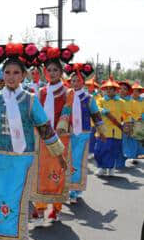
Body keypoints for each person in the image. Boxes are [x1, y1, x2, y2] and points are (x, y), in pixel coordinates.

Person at [0, 42, 65, 240]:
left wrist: (58, 154)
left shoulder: (30, 99)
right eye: (7, 72)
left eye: (16, 73)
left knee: (16, 201)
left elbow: (45, 127)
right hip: (0, 156)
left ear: (24, 75)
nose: (11, 76)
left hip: (23, 159)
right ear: (2, 74)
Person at [30, 45, 75, 224]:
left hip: (60, 136)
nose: (52, 72)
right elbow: (36, 112)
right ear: (45, 72)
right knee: (41, 171)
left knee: (57, 171)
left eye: (56, 69)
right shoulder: (41, 92)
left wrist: (59, 130)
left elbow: (66, 112)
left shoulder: (68, 92)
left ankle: (55, 209)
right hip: (41, 137)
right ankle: (40, 208)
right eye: (49, 70)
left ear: (61, 71)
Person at [60, 63, 106, 203]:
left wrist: (102, 131)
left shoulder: (89, 98)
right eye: (73, 80)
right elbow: (62, 114)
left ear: (83, 82)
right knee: (66, 161)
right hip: (68, 133)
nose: (75, 83)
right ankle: (65, 188)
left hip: (84, 133)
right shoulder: (66, 96)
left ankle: (75, 191)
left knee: (78, 162)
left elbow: (96, 115)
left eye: (78, 80)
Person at [95, 77, 127, 175]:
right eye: (107, 89)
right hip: (103, 130)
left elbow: (126, 114)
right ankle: (102, 167)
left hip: (116, 131)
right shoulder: (101, 100)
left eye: (111, 89)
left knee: (113, 150)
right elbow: (96, 108)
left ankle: (111, 167)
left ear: (115, 90)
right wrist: (102, 110)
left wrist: (125, 123)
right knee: (99, 150)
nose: (108, 91)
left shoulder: (121, 102)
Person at [121, 81, 144, 165]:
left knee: (137, 140)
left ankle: (134, 156)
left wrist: (142, 116)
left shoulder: (142, 100)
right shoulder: (129, 100)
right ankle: (126, 154)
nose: (135, 92)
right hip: (129, 121)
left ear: (140, 92)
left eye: (137, 91)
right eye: (134, 90)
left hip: (139, 122)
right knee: (126, 138)